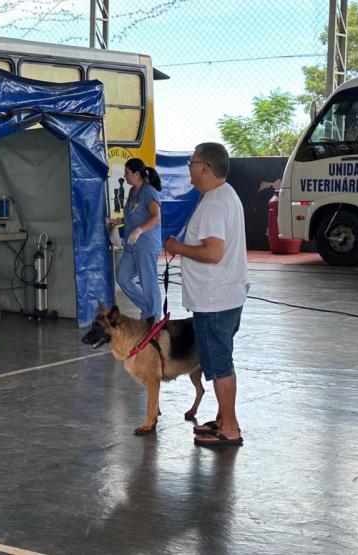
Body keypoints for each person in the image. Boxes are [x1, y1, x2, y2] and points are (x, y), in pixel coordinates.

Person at [165, 142, 247, 447]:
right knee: (219, 360)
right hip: (226, 295)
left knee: (219, 365)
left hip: (215, 300)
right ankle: (224, 419)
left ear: (205, 167)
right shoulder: (226, 195)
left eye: (191, 161)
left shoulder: (213, 203)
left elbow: (213, 252)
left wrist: (177, 248)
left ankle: (230, 429)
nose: (189, 167)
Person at [114, 158, 163, 325]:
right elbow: (134, 214)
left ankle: (155, 319)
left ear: (136, 174)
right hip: (132, 244)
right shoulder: (133, 191)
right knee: (123, 277)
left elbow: (156, 216)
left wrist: (140, 230)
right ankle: (148, 309)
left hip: (146, 245)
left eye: (127, 173)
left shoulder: (148, 191)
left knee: (148, 282)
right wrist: (118, 221)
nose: (125, 176)